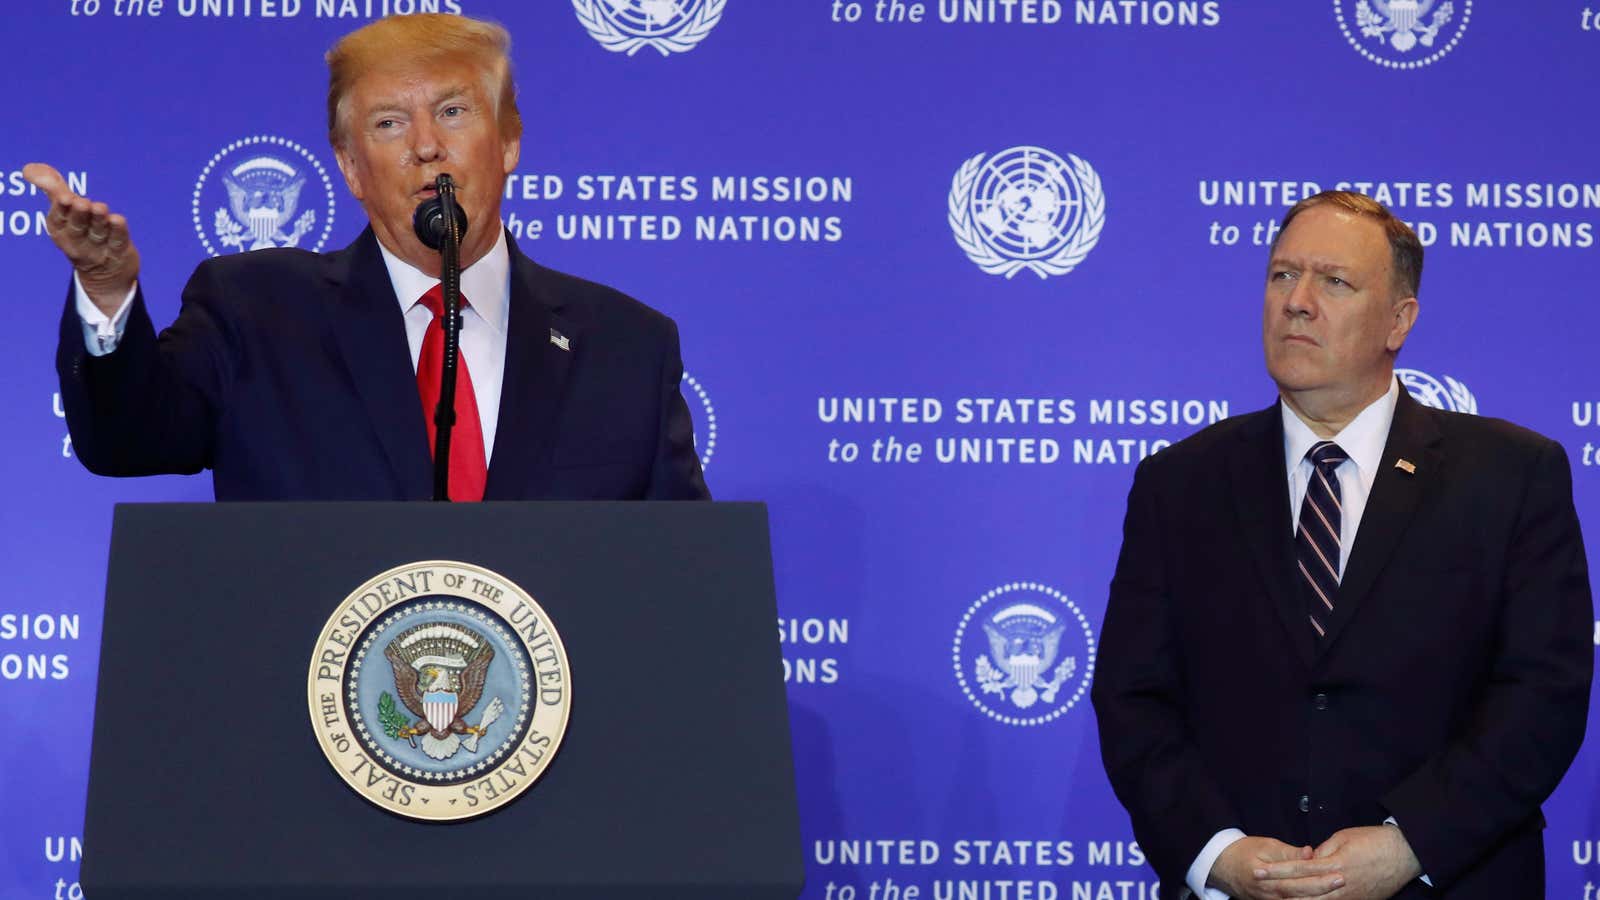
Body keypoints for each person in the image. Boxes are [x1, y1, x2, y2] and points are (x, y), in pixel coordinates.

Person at [1091, 191, 1591, 899]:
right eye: (1281, 275)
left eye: (1334, 281)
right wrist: (1218, 853)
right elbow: (1133, 698)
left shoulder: (1511, 477)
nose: (1296, 301)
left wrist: (1407, 845)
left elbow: (1542, 696)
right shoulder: (1180, 484)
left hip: (1448, 882)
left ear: (1399, 321)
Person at [29, 13, 707, 502]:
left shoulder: (627, 346)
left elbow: (682, 575)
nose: (425, 146)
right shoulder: (258, 314)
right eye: (388, 123)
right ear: (352, 168)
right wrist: (106, 288)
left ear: (508, 143)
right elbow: (129, 443)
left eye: (452, 112)